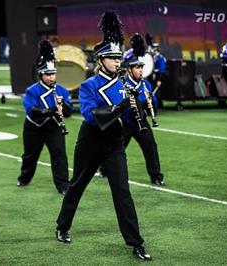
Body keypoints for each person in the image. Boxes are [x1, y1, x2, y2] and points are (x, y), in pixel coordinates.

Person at [55, 11, 151, 261]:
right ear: (101, 60)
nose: (117, 62)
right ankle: (62, 226)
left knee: (122, 193)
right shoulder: (89, 86)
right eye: (112, 58)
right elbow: (91, 116)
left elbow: (128, 117)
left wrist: (140, 107)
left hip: (114, 143)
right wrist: (121, 107)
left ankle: (136, 243)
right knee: (77, 186)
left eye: (119, 57)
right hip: (91, 141)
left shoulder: (125, 84)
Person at [100, 33, 165, 186]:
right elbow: (117, 104)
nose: (141, 70)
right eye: (137, 67)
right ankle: (104, 168)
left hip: (141, 121)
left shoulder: (146, 85)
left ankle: (156, 176)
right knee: (117, 148)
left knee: (151, 147)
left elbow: (153, 105)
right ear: (129, 69)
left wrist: (150, 104)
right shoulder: (121, 83)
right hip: (126, 123)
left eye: (141, 67)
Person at [17, 40, 72, 195]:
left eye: (53, 73)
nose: (51, 77)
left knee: (59, 154)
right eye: (48, 74)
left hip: (53, 127)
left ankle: (63, 185)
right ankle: (24, 178)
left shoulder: (62, 90)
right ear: (41, 75)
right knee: (30, 155)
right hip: (34, 127)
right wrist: (52, 109)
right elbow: (31, 110)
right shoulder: (31, 91)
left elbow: (68, 112)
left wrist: (63, 106)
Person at [149, 42, 167, 108]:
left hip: (158, 76)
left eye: (153, 48)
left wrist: (159, 80)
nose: (151, 50)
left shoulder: (161, 58)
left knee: (156, 91)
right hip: (153, 76)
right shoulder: (153, 57)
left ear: (156, 49)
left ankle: (157, 105)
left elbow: (162, 70)